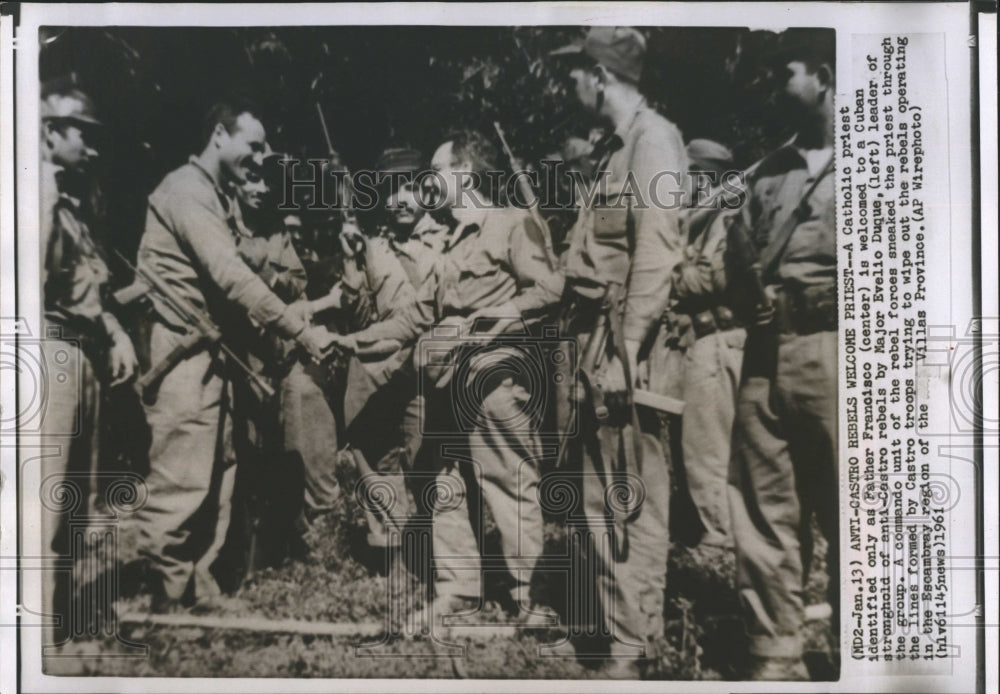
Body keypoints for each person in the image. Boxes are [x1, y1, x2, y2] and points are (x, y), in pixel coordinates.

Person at [330, 130, 564, 625]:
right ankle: (459, 588)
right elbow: (416, 314)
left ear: (463, 174)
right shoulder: (454, 241)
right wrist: (354, 342)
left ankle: (530, 597)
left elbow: (550, 290)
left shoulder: (511, 224)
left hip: (496, 382)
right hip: (447, 385)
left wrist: (486, 322)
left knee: (509, 483)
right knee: (447, 485)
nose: (430, 183)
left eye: (436, 172)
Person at [133, 94, 336, 612]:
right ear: (219, 135)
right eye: (254, 143)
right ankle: (167, 592)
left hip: (211, 352)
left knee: (217, 468)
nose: (262, 154)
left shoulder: (214, 195)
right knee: (182, 470)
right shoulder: (186, 191)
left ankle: (198, 584)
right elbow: (231, 276)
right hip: (181, 354)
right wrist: (299, 329)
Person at [549, 26, 689, 677]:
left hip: (623, 346)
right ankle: (616, 638)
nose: (567, 83)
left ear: (598, 74)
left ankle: (632, 651)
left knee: (626, 494)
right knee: (600, 495)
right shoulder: (615, 148)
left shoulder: (652, 141)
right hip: (593, 339)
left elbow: (658, 249)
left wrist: (628, 347)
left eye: (574, 72)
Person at [724, 29, 837, 681]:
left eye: (785, 72)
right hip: (767, 353)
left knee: (857, 507)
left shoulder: (888, 154)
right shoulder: (766, 171)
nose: (774, 86)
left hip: (839, 350)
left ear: (822, 75)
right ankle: (777, 653)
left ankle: (865, 650)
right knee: (765, 504)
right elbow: (737, 254)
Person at [38, 80, 139, 665]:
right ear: (50, 131)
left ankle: (64, 629)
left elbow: (86, 289)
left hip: (81, 354)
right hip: (47, 351)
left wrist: (116, 330)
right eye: (84, 135)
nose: (93, 149)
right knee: (46, 504)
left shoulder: (70, 202)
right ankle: (37, 641)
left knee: (76, 503)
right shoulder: (33, 195)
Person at [658, 139, 745, 550]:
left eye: (688, 174)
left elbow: (713, 278)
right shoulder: (705, 218)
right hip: (710, 340)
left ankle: (721, 541)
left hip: (719, 340)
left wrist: (670, 270)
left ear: (704, 175)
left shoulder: (725, 214)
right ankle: (721, 533)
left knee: (707, 447)